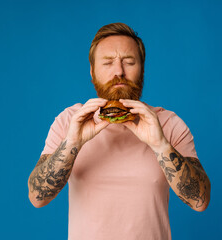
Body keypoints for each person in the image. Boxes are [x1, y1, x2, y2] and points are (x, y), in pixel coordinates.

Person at [28, 22, 211, 240]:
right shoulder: (69, 121)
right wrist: (72, 144)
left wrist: (160, 145)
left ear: (142, 68)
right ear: (92, 71)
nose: (119, 72)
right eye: (107, 63)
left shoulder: (168, 123)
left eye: (129, 62)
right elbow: (37, 197)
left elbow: (200, 201)